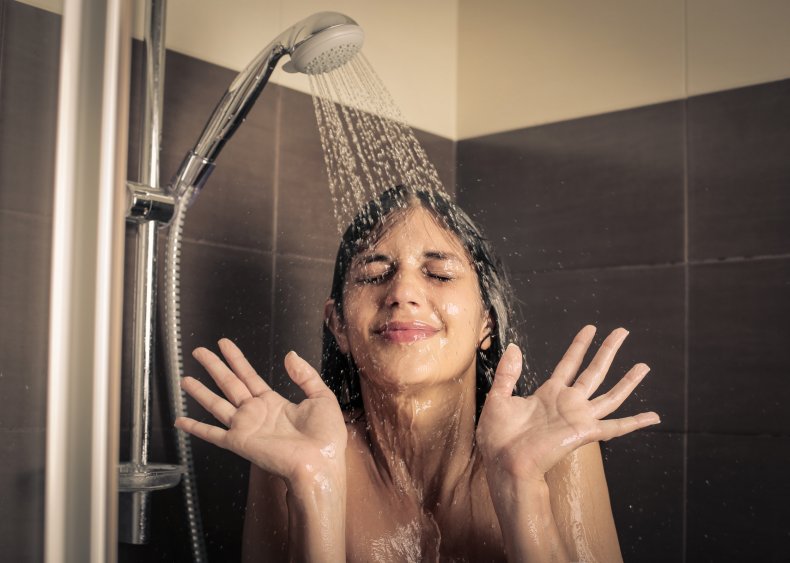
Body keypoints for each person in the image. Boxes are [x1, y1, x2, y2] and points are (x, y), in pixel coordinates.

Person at [175, 185, 660, 562]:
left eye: (440, 274)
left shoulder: (555, 454)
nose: (403, 291)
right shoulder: (290, 457)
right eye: (374, 274)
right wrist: (313, 487)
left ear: (485, 324)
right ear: (339, 326)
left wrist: (522, 489)